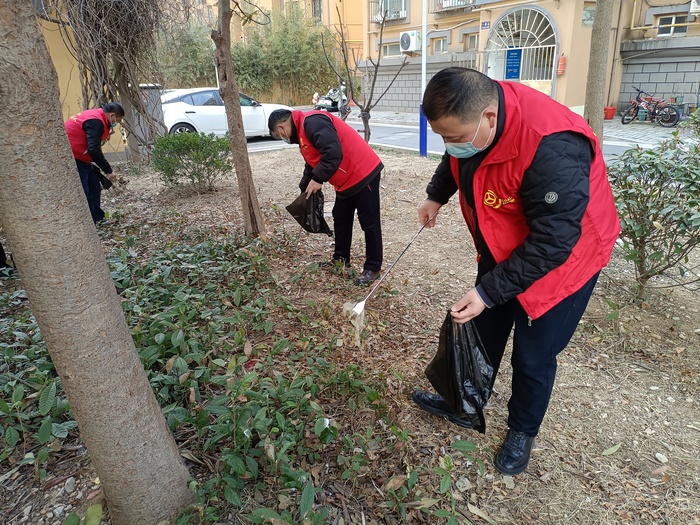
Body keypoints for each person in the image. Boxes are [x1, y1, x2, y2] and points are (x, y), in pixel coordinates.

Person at [411, 67, 620, 476]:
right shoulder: (473, 122)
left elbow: (553, 242)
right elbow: (457, 157)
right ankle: (466, 402)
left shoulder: (554, 144)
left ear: (489, 118)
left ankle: (522, 430)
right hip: (504, 243)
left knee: (534, 355)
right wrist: (437, 195)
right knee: (483, 330)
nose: (450, 146)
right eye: (443, 138)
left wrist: (490, 292)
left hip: (565, 260)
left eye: (455, 138)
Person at [268, 109, 384, 285]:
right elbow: (313, 159)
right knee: (341, 217)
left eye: (279, 134)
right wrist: (305, 185)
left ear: (281, 127)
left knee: (369, 221)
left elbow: (333, 153)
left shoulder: (312, 122)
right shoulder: (302, 131)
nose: (282, 137)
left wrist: (318, 179)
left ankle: (373, 267)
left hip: (362, 172)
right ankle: (341, 260)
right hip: (345, 180)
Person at [64, 103, 124, 224]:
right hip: (73, 158)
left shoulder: (94, 115)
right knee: (83, 192)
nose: (116, 123)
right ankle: (83, 224)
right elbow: (94, 149)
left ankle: (97, 219)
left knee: (94, 188)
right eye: (117, 120)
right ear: (112, 115)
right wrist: (108, 170)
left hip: (82, 157)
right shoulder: (96, 122)